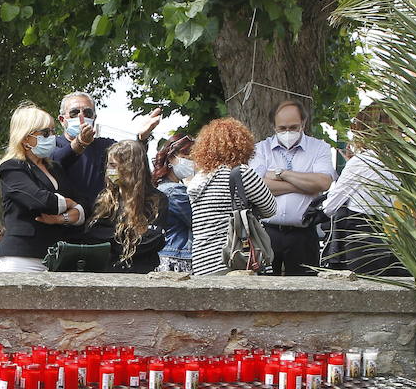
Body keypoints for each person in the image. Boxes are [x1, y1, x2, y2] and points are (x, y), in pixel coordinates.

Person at [250, 100, 336, 275]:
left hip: (303, 235)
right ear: (273, 127)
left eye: (293, 127)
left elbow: (323, 182)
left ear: (303, 123)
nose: (287, 132)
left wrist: (282, 174)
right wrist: (304, 186)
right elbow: (254, 186)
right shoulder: (261, 149)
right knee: (262, 293)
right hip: (267, 233)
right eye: (282, 128)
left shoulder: (319, 148)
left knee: (306, 294)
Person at [0, 103, 84, 272]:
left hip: (57, 255)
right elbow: (40, 200)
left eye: (52, 131)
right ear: (25, 138)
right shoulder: (11, 167)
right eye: (45, 132)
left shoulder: (55, 168)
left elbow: (84, 203)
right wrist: (71, 204)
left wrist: (61, 219)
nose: (52, 136)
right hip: (22, 256)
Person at [187, 118, 278, 275]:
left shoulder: (198, 180)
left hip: (203, 263)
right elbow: (270, 209)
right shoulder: (241, 173)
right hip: (236, 259)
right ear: (243, 146)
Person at [50, 92, 162, 217]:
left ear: (94, 118)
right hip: (62, 222)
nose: (81, 116)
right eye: (74, 113)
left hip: (99, 223)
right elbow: (55, 163)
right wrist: (80, 143)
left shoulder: (105, 146)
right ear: (62, 120)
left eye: (87, 113)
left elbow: (130, 159)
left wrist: (141, 138)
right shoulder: (51, 145)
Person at [323, 106, 403, 275]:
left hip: (359, 238)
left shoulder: (361, 162)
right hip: (387, 236)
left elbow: (330, 207)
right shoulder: (397, 164)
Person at [82, 140, 170, 273]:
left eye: (114, 165)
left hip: (142, 273)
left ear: (130, 167)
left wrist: (113, 236)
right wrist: (130, 236)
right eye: (109, 165)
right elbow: (93, 235)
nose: (109, 170)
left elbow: (152, 241)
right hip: (107, 273)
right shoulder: (105, 199)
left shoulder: (156, 200)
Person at [151, 135, 196, 272]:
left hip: (167, 255)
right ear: (171, 158)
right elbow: (198, 221)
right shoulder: (174, 192)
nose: (192, 161)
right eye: (187, 156)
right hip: (178, 257)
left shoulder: (161, 188)